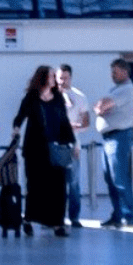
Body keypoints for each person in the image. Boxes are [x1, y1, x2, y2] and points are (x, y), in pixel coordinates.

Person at [12, 65, 76, 237]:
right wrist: (16, 128)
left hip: (55, 148)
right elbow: (20, 116)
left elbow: (64, 122)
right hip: (35, 149)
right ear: (42, 78)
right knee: (35, 186)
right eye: (50, 76)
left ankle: (57, 223)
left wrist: (72, 143)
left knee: (58, 186)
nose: (53, 79)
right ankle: (29, 219)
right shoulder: (31, 97)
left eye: (53, 76)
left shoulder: (57, 98)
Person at [94, 57, 133, 228]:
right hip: (109, 139)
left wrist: (101, 108)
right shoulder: (116, 89)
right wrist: (101, 107)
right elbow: (100, 105)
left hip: (119, 137)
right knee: (110, 179)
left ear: (125, 72)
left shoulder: (126, 90)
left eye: (115, 72)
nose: (112, 75)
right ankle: (117, 215)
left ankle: (129, 217)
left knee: (119, 178)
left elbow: (101, 106)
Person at [57, 64, 91, 228]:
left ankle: (74, 217)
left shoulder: (80, 97)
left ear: (71, 77)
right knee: (55, 183)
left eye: (66, 77)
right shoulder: (50, 97)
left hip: (72, 145)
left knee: (74, 183)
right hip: (54, 146)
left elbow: (86, 122)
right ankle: (54, 217)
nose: (63, 81)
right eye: (60, 78)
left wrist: (71, 126)